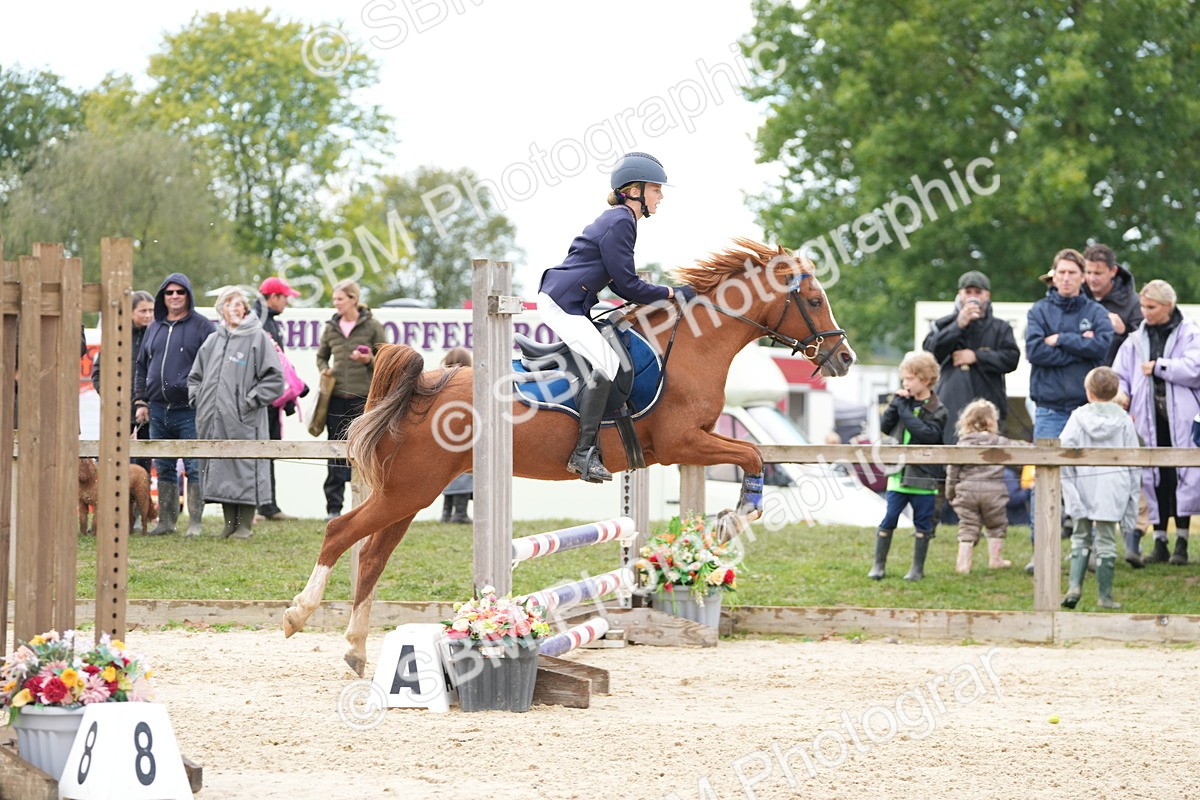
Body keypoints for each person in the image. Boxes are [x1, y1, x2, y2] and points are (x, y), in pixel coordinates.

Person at [537, 152, 695, 484]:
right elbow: (627, 284)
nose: (661, 196)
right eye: (656, 189)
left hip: (570, 301)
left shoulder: (620, 219)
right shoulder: (622, 221)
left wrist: (659, 293)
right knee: (608, 364)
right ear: (634, 189)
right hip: (561, 303)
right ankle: (582, 454)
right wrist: (671, 294)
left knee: (609, 360)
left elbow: (616, 279)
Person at [1023, 249, 1113, 572]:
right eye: (1061, 272)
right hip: (1048, 410)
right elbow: (1035, 352)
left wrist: (1060, 339)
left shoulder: (1096, 311)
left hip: (1086, 410)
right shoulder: (1038, 311)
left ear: (1082, 276)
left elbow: (1100, 347)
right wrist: (1078, 346)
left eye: (1072, 273)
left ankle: (1084, 551)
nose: (1066, 278)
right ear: (1053, 274)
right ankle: (1041, 552)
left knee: (1090, 480)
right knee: (1044, 482)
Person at [1112, 279, 1200, 566]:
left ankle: (1183, 542)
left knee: (1183, 476)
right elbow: (1121, 373)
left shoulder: (1190, 333)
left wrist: (1160, 367)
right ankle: (1160, 540)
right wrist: (1122, 394)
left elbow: (1195, 368)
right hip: (1147, 418)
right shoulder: (1135, 339)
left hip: (1182, 419)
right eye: (1142, 306)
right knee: (1155, 477)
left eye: (1151, 307)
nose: (1145, 312)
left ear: (1168, 306)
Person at [188, 287, 284, 540]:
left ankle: (245, 526)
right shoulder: (213, 340)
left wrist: (249, 402)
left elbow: (274, 379)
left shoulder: (257, 337)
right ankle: (229, 524)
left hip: (245, 420)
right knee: (220, 470)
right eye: (229, 304)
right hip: (212, 420)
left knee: (245, 468)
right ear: (222, 309)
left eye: (239, 304)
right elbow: (195, 376)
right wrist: (197, 397)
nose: (235, 309)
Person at [133, 274, 216, 536]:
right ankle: (167, 523)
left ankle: (195, 524)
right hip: (157, 409)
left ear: (188, 294)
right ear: (163, 297)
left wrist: (202, 398)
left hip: (190, 409)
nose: (175, 296)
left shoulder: (203, 327)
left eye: (180, 291)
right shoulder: (154, 326)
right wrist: (141, 401)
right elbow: (142, 366)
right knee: (165, 466)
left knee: (194, 466)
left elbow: (213, 367)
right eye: (169, 292)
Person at [1059, 367, 1141, 610]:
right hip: (1113, 485)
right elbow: (1133, 459)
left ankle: (1075, 586)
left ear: (1088, 392)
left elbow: (1065, 448)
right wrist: (1132, 500)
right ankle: (1104, 595)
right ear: (1116, 391)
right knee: (1106, 540)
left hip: (1083, 482)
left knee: (1080, 536)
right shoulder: (1125, 421)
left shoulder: (1077, 417)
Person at [867, 351, 946, 582]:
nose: (905, 383)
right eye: (904, 379)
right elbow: (885, 426)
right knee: (889, 518)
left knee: (923, 523)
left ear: (926, 379)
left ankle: (916, 569)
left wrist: (904, 411)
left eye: (910, 379)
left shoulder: (938, 409)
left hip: (924, 479)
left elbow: (928, 434)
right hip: (898, 477)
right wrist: (895, 406)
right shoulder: (902, 401)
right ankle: (878, 565)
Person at [316, 279, 387, 521]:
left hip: (363, 399)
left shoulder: (373, 327)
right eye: (334, 299)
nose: (335, 303)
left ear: (353, 300)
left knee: (364, 451)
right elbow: (321, 356)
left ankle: (366, 505)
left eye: (340, 299)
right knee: (335, 450)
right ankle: (333, 508)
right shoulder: (330, 328)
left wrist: (368, 362)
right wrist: (324, 369)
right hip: (335, 398)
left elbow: (387, 359)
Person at [922, 270, 1020, 443]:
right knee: (950, 457)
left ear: (987, 295)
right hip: (950, 406)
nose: (972, 297)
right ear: (960, 295)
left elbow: (1011, 359)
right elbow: (931, 352)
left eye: (977, 292)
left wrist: (977, 356)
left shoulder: (1000, 327)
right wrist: (958, 326)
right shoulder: (943, 324)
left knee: (988, 459)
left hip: (988, 405)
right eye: (968, 292)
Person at [945, 399, 1032, 574]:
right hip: (993, 493)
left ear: (966, 421)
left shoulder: (962, 444)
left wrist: (950, 493)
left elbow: (952, 472)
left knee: (968, 526)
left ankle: (963, 565)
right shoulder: (998, 441)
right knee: (996, 526)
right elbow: (1019, 447)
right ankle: (996, 559)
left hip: (967, 493)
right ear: (993, 421)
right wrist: (1035, 447)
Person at [252, 276, 303, 522]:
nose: (286, 303)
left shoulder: (269, 321)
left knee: (268, 448)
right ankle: (258, 505)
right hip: (260, 401)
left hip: (270, 399)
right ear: (273, 297)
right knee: (257, 450)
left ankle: (267, 504)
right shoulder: (258, 321)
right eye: (285, 297)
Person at [92, 290, 155, 475]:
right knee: (114, 459)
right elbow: (98, 373)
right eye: (143, 311)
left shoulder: (157, 336)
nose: (148, 315)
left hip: (147, 408)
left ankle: (140, 503)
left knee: (144, 463)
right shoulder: (116, 337)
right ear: (130, 312)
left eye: (151, 311)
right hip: (119, 410)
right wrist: (110, 397)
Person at [1081, 243, 1143, 365]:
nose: (1092, 279)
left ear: (1113, 271)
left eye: (1098, 273)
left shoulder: (1134, 303)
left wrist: (1124, 331)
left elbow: (1145, 347)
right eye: (1088, 272)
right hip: (1077, 377)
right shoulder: (1075, 298)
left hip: (1115, 379)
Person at [439, 347, 474, 524]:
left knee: (449, 474)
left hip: (444, 436)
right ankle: (460, 513)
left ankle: (446, 513)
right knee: (465, 473)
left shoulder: (442, 382)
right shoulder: (468, 382)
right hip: (464, 434)